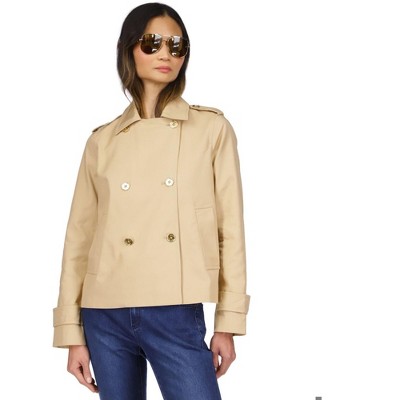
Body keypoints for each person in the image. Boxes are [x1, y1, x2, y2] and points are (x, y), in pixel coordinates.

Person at [52, 3, 250, 399]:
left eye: (177, 45)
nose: (166, 54)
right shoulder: (102, 141)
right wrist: (71, 332)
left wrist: (228, 322)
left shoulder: (211, 129)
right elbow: (79, 240)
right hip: (105, 311)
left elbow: (230, 230)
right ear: (129, 49)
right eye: (152, 42)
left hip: (175, 308)